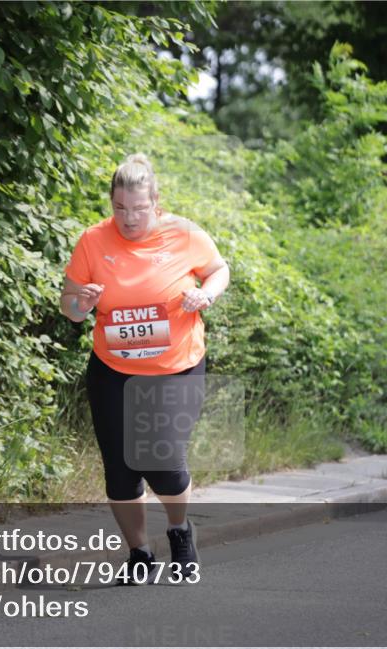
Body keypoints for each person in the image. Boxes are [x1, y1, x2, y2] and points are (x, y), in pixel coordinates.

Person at [60, 153, 230, 582]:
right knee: (119, 469)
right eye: (120, 208)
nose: (129, 218)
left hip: (176, 366)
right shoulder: (92, 241)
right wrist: (83, 303)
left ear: (157, 202)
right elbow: (70, 308)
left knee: (163, 461)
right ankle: (139, 554)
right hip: (113, 368)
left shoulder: (184, 233)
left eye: (138, 209)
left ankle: (179, 530)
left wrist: (206, 295)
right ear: (111, 204)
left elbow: (218, 270)